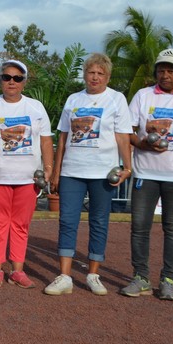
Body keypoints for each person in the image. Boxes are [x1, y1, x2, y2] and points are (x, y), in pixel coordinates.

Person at [120, 49, 173, 301]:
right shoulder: (143, 95)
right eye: (161, 70)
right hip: (146, 173)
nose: (165, 75)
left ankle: (168, 279)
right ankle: (141, 277)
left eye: (171, 70)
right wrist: (143, 144)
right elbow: (128, 131)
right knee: (139, 227)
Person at [45, 53, 132, 296]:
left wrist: (128, 167)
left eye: (100, 73)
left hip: (104, 172)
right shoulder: (74, 99)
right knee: (67, 220)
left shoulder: (116, 99)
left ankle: (93, 274)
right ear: (84, 74)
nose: (95, 77)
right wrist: (57, 172)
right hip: (73, 170)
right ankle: (64, 276)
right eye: (91, 72)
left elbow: (123, 136)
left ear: (108, 76)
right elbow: (62, 138)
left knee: (99, 221)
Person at [0, 60, 53, 289]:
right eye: (6, 77)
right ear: (0, 80)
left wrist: (49, 169)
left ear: (24, 82)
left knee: (21, 225)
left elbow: (45, 140)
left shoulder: (35, 107)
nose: (11, 82)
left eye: (17, 78)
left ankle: (17, 271)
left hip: (28, 177)